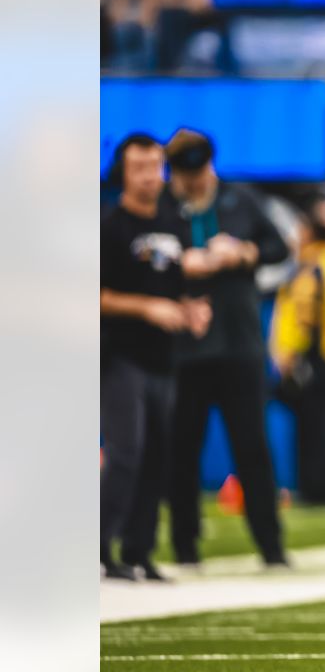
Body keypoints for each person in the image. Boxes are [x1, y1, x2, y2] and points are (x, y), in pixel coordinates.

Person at [164, 129, 289, 567]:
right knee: (181, 447)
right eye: (185, 174)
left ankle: (271, 546)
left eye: (198, 173)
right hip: (185, 346)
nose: (194, 182)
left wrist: (242, 253)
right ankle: (184, 547)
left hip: (239, 343)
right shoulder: (166, 206)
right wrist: (182, 265)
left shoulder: (240, 198)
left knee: (252, 446)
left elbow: (279, 247)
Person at [100, 133, 210, 581]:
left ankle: (140, 550)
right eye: (139, 167)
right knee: (127, 452)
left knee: (157, 456)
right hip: (120, 354)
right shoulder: (110, 225)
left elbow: (177, 284)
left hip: (165, 357)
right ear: (123, 173)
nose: (149, 175)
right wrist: (147, 307)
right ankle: (101, 546)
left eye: (154, 165)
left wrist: (192, 309)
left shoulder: (174, 221)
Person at [270, 200, 325, 506]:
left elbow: (304, 311)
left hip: (317, 356)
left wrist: (290, 351)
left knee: (314, 426)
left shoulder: (313, 264)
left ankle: (316, 488)